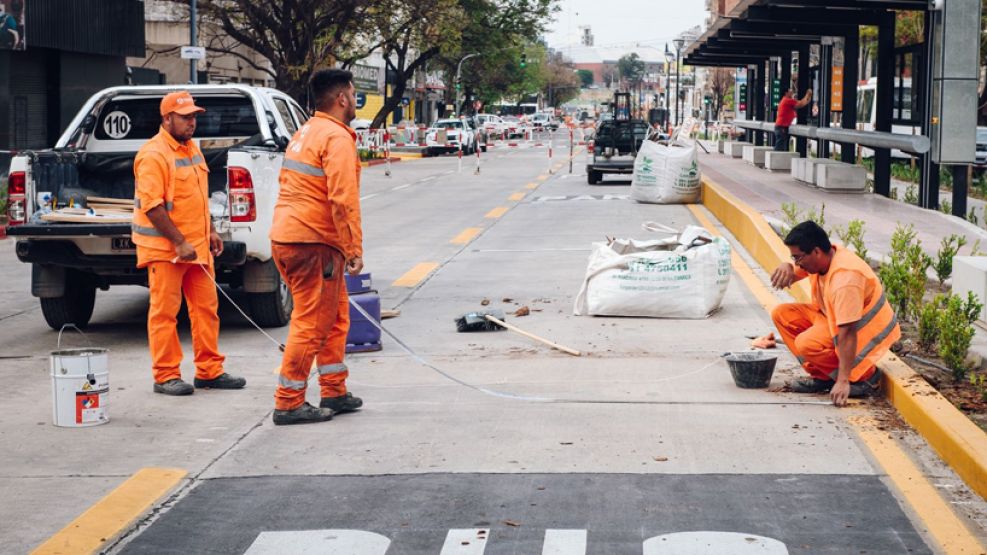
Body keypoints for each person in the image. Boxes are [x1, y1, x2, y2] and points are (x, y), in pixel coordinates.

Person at [132, 91, 246, 396]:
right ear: (167, 118)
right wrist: (180, 242)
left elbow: (197, 195)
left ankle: (209, 371)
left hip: (197, 248)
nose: (192, 122)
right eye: (185, 117)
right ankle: (166, 375)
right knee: (165, 313)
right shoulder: (153, 155)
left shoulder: (191, 148)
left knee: (206, 309)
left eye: (194, 116)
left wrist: (209, 231)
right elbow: (153, 206)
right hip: (166, 251)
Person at [269, 69, 365, 425]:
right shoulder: (336, 138)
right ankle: (289, 401)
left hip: (293, 237)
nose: (356, 101)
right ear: (341, 98)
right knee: (310, 322)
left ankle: (334, 390)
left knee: (336, 316)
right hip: (313, 243)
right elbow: (343, 199)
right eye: (354, 94)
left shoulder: (306, 131)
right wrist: (353, 247)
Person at [769, 221, 900, 406]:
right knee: (781, 314)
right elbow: (794, 271)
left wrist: (843, 381)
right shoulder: (823, 257)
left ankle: (864, 377)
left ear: (816, 251)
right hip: (832, 318)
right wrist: (787, 266)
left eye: (797, 258)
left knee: (806, 344)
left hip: (862, 331)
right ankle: (823, 377)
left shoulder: (845, 280)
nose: (796, 263)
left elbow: (847, 333)